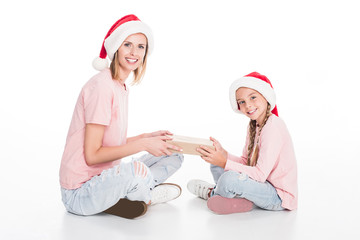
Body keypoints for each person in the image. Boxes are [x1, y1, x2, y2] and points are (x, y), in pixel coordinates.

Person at [60, 14, 184, 219]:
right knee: (137, 171)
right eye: (127, 44)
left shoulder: (120, 86)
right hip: (79, 192)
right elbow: (93, 156)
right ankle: (146, 195)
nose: (134, 52)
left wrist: (147, 138)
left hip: (104, 179)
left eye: (141, 47)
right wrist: (144, 145)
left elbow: (110, 144)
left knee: (173, 153)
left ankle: (130, 193)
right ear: (117, 47)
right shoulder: (102, 86)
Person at [187, 72, 298, 214]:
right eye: (242, 102)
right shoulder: (254, 125)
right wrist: (223, 154)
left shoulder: (273, 126)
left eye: (253, 97)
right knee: (216, 163)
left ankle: (213, 193)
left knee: (229, 178)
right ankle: (239, 200)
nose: (248, 105)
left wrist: (225, 163)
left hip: (277, 196)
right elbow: (245, 162)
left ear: (266, 97)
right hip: (260, 185)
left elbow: (260, 175)